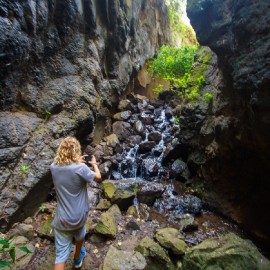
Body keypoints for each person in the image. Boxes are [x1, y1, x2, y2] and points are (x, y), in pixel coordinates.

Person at [50, 136, 101, 270]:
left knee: (60, 256)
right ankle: (78, 258)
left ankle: (74, 258)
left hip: (62, 218)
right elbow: (98, 177)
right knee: (80, 235)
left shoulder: (53, 168)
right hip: (79, 216)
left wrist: (77, 161)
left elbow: (66, 167)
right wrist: (94, 164)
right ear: (76, 151)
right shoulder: (81, 168)